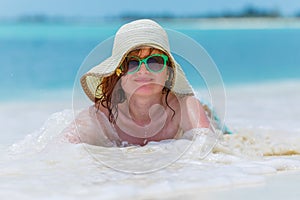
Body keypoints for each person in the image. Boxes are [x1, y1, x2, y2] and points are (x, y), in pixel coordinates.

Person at [64, 19, 226, 147]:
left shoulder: (185, 106)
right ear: (118, 71)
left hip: (205, 109)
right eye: (131, 63)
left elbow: (209, 147)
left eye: (154, 61)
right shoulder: (102, 115)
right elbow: (62, 149)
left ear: (168, 70)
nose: (143, 70)